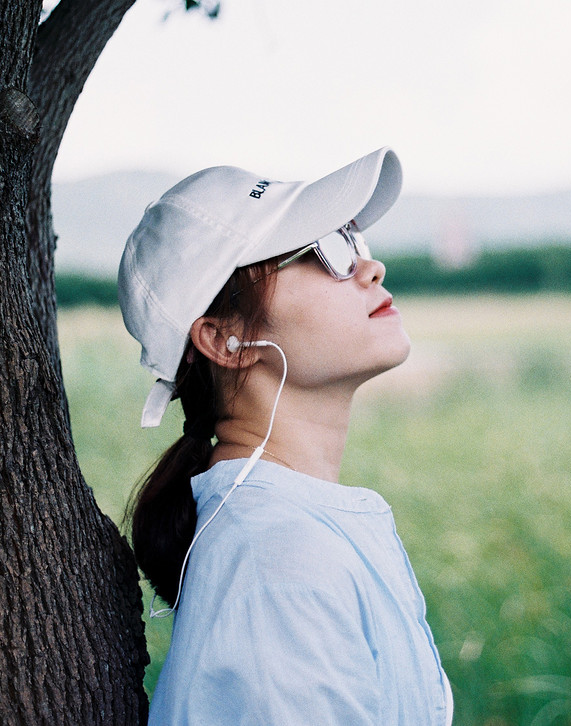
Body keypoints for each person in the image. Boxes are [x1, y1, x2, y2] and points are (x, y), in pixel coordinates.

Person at [118, 148, 452, 725]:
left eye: (354, 240)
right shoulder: (277, 565)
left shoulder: (288, 533)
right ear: (226, 340)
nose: (370, 270)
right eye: (324, 251)